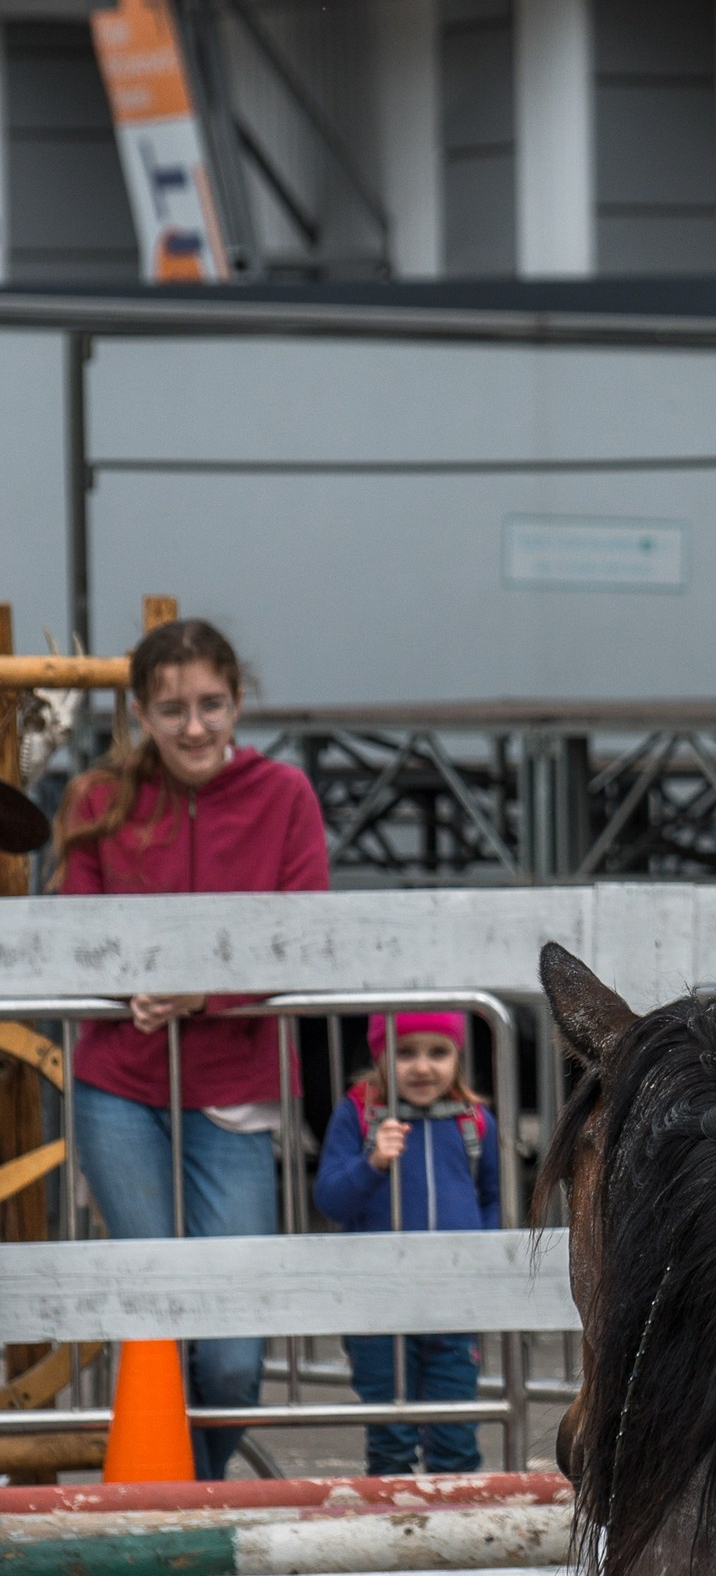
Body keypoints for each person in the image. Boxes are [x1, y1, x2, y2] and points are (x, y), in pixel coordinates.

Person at [51, 616, 331, 1478]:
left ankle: (197, 1491)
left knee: (233, 1352)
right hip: (117, 1082)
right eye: (172, 709)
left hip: (239, 1081)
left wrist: (207, 994)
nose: (195, 727)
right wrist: (119, 985)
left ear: (239, 702)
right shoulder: (99, 798)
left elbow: (307, 931)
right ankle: (184, 1499)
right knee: (157, 1311)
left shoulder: (286, 796)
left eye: (211, 704)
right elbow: (73, 925)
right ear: (140, 712)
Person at [313, 1012, 501, 1477]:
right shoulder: (358, 1113)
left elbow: (492, 1199)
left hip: (454, 1304)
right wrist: (372, 1162)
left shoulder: (474, 1119)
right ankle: (393, 1537)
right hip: (379, 1306)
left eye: (438, 1052)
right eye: (405, 1052)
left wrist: (484, 1260)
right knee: (391, 1440)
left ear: (457, 1057)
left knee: (456, 1437)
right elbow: (330, 1200)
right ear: (380, 1056)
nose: (422, 1067)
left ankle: (456, 1541)